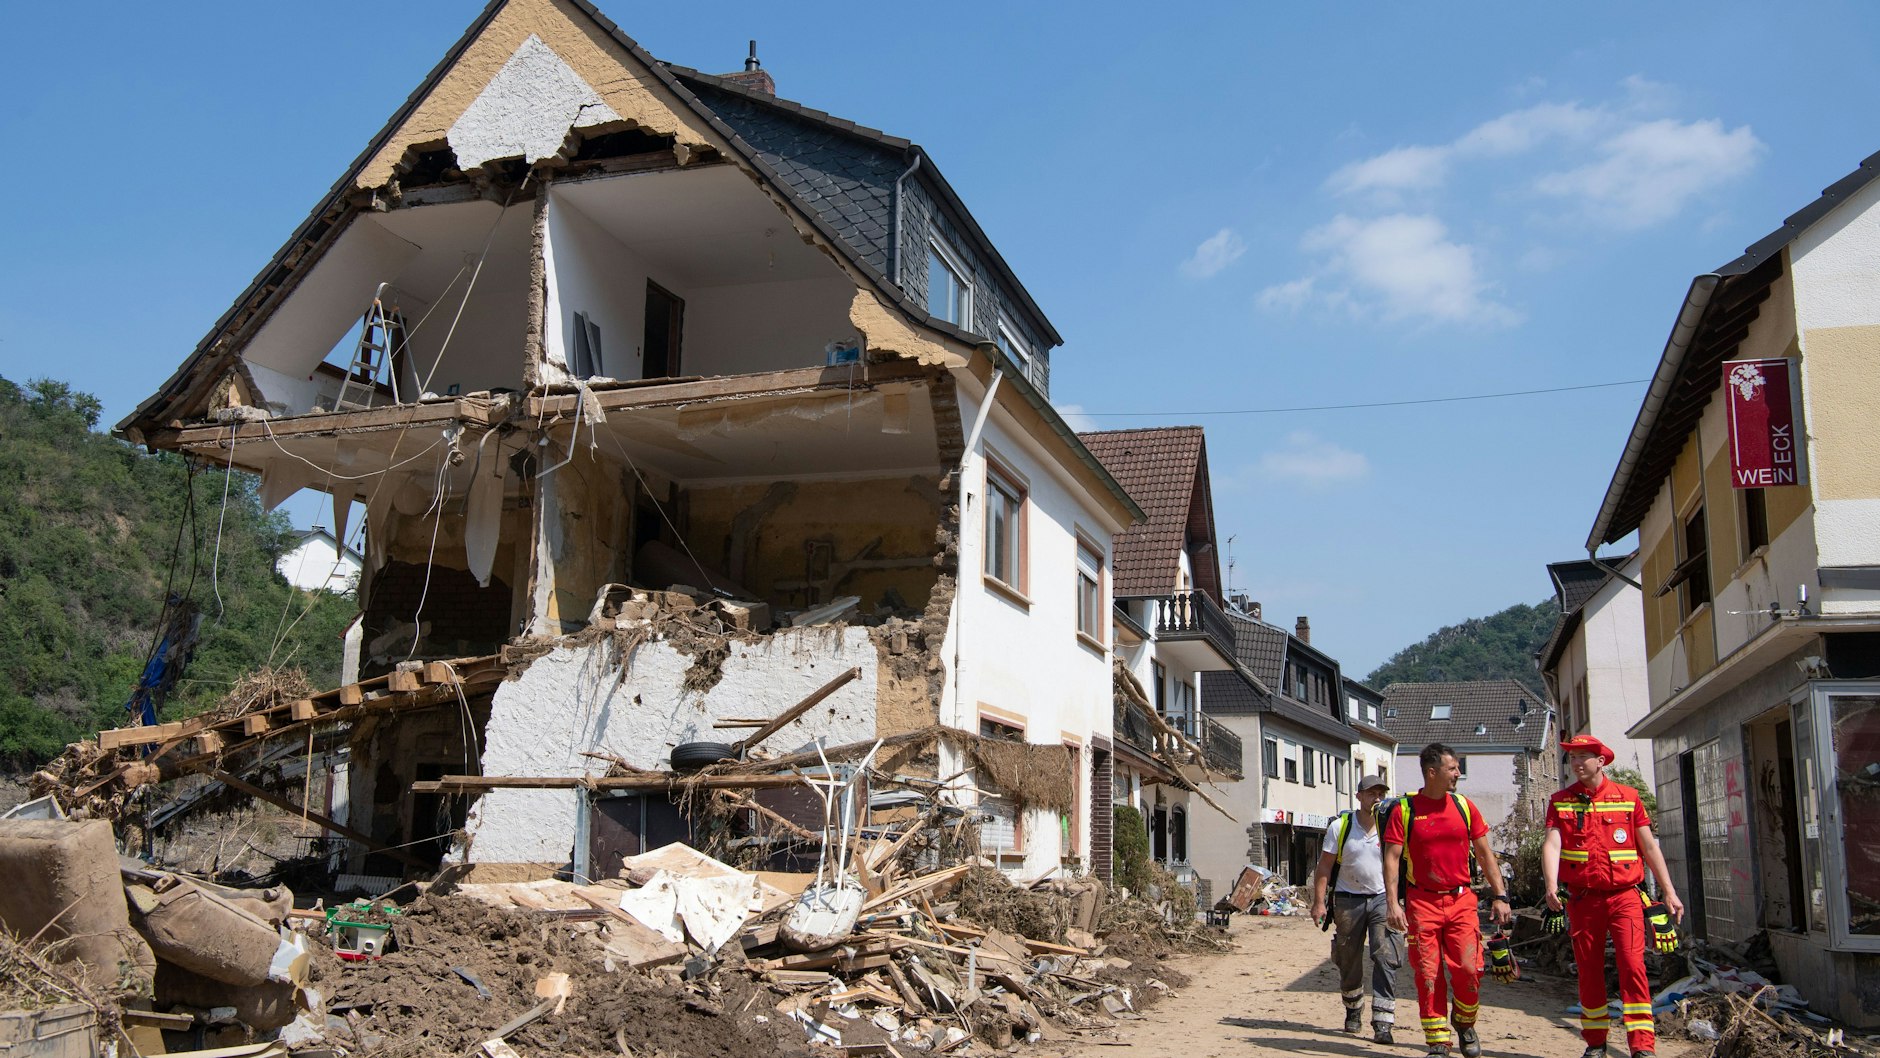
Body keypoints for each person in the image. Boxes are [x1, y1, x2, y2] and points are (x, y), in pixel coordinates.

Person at [1542, 735, 1684, 1058]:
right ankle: (1595, 1043)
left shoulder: (1628, 798)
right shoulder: (1560, 801)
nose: (1576, 763)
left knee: (1633, 966)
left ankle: (1642, 1047)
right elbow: (1552, 844)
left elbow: (1649, 847)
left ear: (1600, 761)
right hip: (1582, 900)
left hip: (1626, 898)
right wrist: (1551, 885)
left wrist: (1669, 891)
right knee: (1588, 969)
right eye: (1572, 758)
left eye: (1583, 757)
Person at [1384, 742, 1511, 1058]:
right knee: (1428, 974)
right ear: (1432, 772)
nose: (1457, 773)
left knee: (1469, 968)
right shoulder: (1404, 810)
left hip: (1461, 901)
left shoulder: (1465, 807)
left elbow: (1484, 854)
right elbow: (1391, 858)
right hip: (1421, 903)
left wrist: (1500, 895)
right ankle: (1438, 1042)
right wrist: (1392, 903)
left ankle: (1465, 1023)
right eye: (1452, 768)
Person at [1311, 773, 1403, 1043]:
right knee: (1348, 957)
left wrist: (1399, 902)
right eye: (1371, 793)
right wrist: (1319, 903)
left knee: (1386, 954)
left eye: (1380, 793)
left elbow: (1401, 864)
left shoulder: (1391, 826)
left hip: (1382, 899)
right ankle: (1353, 1009)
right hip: (1348, 899)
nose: (1377, 798)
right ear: (1359, 796)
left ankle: (1383, 1022)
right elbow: (1324, 867)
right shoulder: (1341, 827)